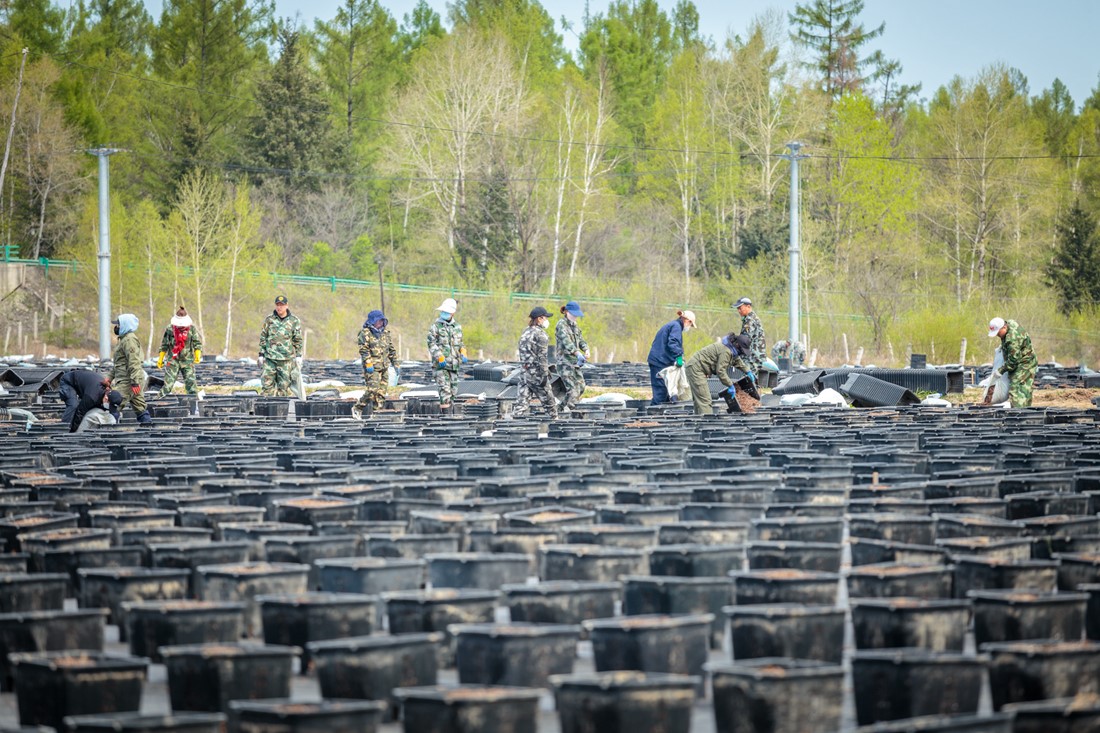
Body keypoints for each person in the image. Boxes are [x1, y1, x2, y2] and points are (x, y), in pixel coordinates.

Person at [685, 333, 754, 415]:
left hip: (696, 367)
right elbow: (720, 371)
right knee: (705, 400)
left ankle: (699, 420)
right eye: (742, 351)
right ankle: (706, 421)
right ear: (737, 345)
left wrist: (748, 371)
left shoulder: (730, 349)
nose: (741, 353)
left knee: (700, 399)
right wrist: (730, 385)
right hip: (696, 369)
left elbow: (737, 361)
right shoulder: (726, 351)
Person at [513, 306, 558, 420]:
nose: (546, 320)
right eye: (545, 318)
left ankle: (514, 426)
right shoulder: (541, 335)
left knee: (521, 405)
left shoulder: (526, 331)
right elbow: (542, 357)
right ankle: (555, 425)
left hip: (524, 373)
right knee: (550, 404)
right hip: (536, 374)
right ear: (539, 319)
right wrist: (544, 375)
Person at [353, 309, 398, 420]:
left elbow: (391, 350)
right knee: (372, 390)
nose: (380, 323)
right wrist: (368, 362)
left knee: (381, 393)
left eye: (382, 321)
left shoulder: (385, 333)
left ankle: (376, 414)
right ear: (373, 321)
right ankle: (358, 407)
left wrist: (396, 364)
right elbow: (364, 350)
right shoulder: (365, 333)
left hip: (384, 367)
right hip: (372, 367)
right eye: (378, 321)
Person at [647, 310, 695, 405]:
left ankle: (658, 412)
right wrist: (679, 357)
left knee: (665, 394)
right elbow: (673, 343)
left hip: (660, 361)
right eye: (691, 324)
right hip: (659, 363)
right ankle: (654, 412)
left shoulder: (672, 325)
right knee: (660, 394)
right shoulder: (676, 327)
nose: (689, 327)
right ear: (687, 321)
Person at [258, 295, 303, 397]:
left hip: (286, 361)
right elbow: (263, 337)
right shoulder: (269, 320)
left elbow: (298, 340)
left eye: (282, 305)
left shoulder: (294, 321)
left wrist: (299, 356)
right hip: (270, 359)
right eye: (277, 305)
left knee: (284, 388)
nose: (279, 307)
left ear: (286, 306)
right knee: (267, 387)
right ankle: (266, 405)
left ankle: (280, 406)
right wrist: (261, 354)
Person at [988, 317, 1039, 408]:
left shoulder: (1012, 339)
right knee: (1024, 389)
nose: (997, 335)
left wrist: (1000, 370)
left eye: (998, 333)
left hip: (1025, 363)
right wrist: (1003, 346)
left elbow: (1013, 362)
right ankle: (1025, 409)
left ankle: (1018, 412)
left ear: (1004, 327)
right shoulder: (1009, 324)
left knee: (1016, 389)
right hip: (1021, 359)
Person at [426, 298, 467, 412]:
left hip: (454, 365)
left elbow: (460, 343)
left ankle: (451, 416)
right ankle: (445, 417)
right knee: (445, 392)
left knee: (453, 392)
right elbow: (431, 343)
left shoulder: (457, 327)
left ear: (452, 313)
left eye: (447, 312)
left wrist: (463, 351)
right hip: (441, 366)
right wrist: (439, 355)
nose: (444, 313)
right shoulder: (436, 327)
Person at [111, 314, 152, 424]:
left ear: (125, 325)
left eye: (118, 325)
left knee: (114, 404)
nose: (116, 327)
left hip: (128, 380)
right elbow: (119, 363)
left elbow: (134, 362)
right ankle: (147, 426)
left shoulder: (129, 340)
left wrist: (134, 382)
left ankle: (107, 429)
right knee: (140, 407)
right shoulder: (124, 340)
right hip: (130, 378)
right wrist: (109, 378)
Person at [158, 306, 203, 397]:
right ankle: (160, 401)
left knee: (191, 385)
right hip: (173, 360)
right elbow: (164, 344)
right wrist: (161, 358)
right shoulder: (170, 329)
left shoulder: (192, 329)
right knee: (168, 385)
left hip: (187, 360)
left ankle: (193, 403)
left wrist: (197, 354)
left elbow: (197, 343)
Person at [57, 370, 121, 432]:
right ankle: (64, 429)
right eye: (109, 405)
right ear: (106, 398)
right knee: (73, 405)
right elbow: (80, 413)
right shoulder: (92, 397)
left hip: (85, 386)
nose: (108, 407)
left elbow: (112, 411)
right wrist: (73, 430)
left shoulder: (108, 392)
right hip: (68, 382)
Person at [555, 301, 589, 413]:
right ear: (566, 312)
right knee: (572, 390)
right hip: (564, 362)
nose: (575, 317)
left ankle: (560, 407)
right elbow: (567, 342)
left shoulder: (575, 326)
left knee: (581, 387)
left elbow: (581, 340)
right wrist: (577, 353)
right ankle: (572, 409)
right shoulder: (561, 325)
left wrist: (586, 350)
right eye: (573, 314)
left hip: (574, 362)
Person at [734, 297, 767, 376]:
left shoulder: (750, 319)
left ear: (748, 306)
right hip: (755, 355)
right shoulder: (751, 318)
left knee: (748, 379)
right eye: (738, 309)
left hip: (752, 357)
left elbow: (744, 340)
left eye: (740, 308)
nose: (739, 311)